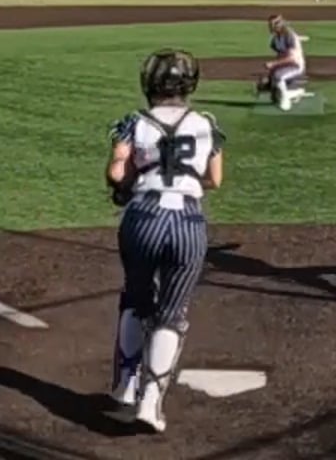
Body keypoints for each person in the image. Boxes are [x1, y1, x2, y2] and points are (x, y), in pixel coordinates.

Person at [106, 49, 224, 433]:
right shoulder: (206, 124)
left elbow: (116, 171)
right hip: (188, 221)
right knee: (172, 313)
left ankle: (126, 384)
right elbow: (214, 179)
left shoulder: (134, 122)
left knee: (136, 298)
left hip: (143, 216)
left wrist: (131, 182)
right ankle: (151, 403)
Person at [259, 15, 308, 111]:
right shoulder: (275, 40)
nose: (270, 27)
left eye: (272, 25)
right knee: (272, 86)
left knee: (278, 76)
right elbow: (280, 57)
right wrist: (270, 77)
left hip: (296, 66)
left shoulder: (289, 36)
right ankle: (295, 92)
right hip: (285, 66)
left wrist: (274, 64)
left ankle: (285, 101)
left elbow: (292, 58)